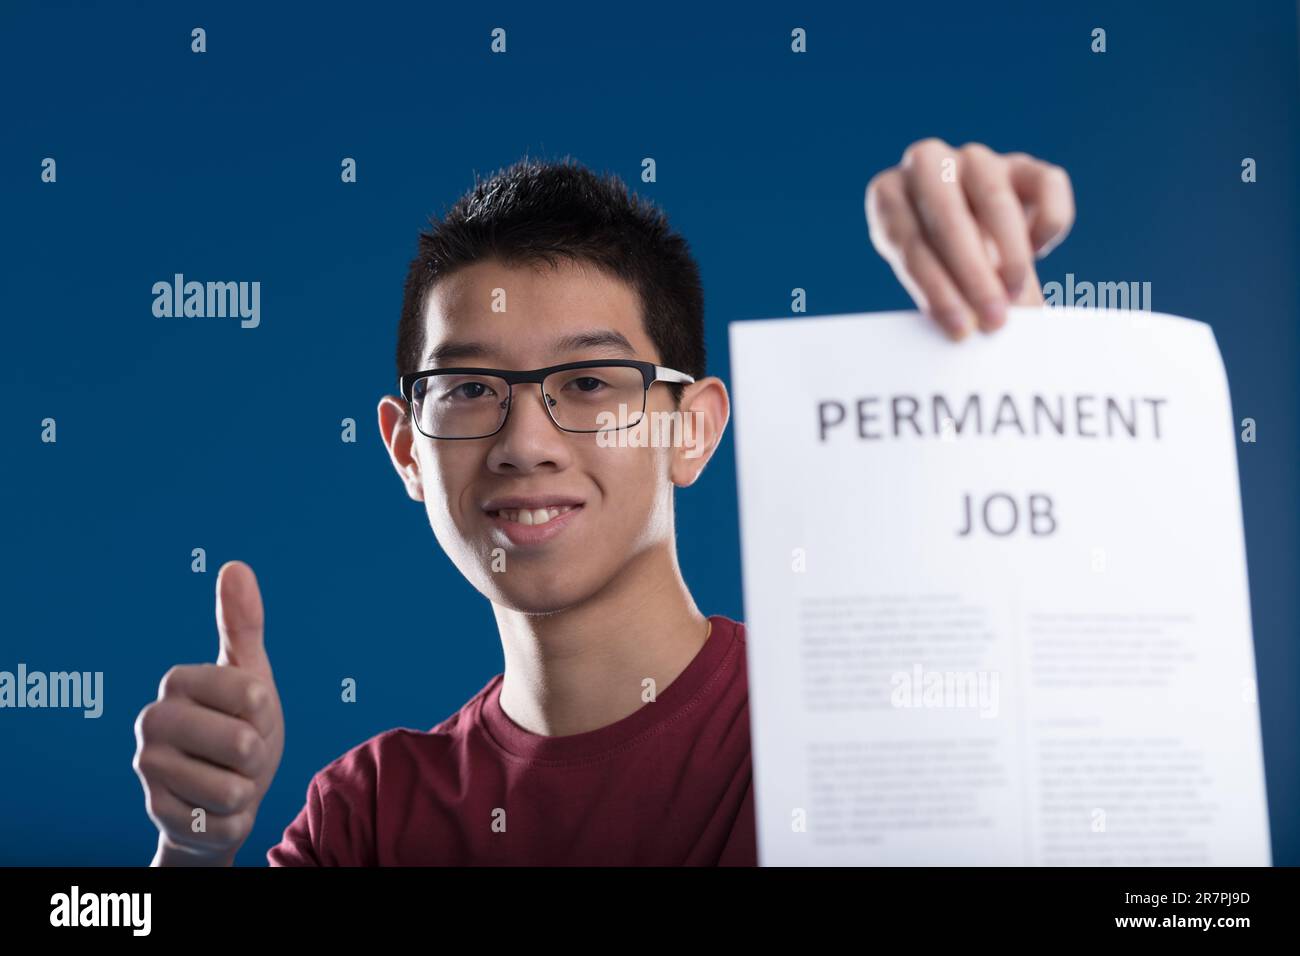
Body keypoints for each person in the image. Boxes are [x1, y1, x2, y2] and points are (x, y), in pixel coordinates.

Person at [133, 138, 1075, 865]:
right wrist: (195, 852)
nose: (525, 443)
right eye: (468, 389)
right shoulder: (369, 814)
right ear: (404, 449)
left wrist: (1008, 354)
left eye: (589, 382)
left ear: (692, 428)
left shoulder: (851, 731)